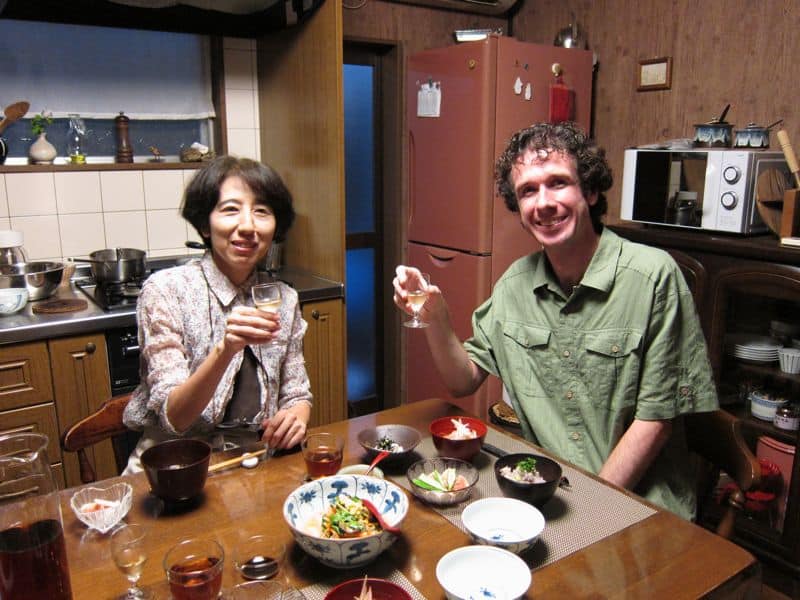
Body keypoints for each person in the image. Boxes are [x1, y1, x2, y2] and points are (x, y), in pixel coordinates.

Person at [393, 122, 718, 520]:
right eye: (528, 190)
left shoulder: (653, 277)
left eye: (558, 183)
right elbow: (463, 380)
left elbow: (656, 420)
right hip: (544, 492)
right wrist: (436, 317)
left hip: (639, 505)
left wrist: (588, 511)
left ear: (591, 191)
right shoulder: (515, 284)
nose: (543, 203)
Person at [123, 156, 312, 473]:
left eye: (262, 211)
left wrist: (297, 416)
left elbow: (296, 393)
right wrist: (226, 349)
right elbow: (175, 418)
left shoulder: (284, 298)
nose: (248, 226)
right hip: (175, 469)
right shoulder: (166, 290)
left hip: (255, 466)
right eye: (230, 209)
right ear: (204, 225)